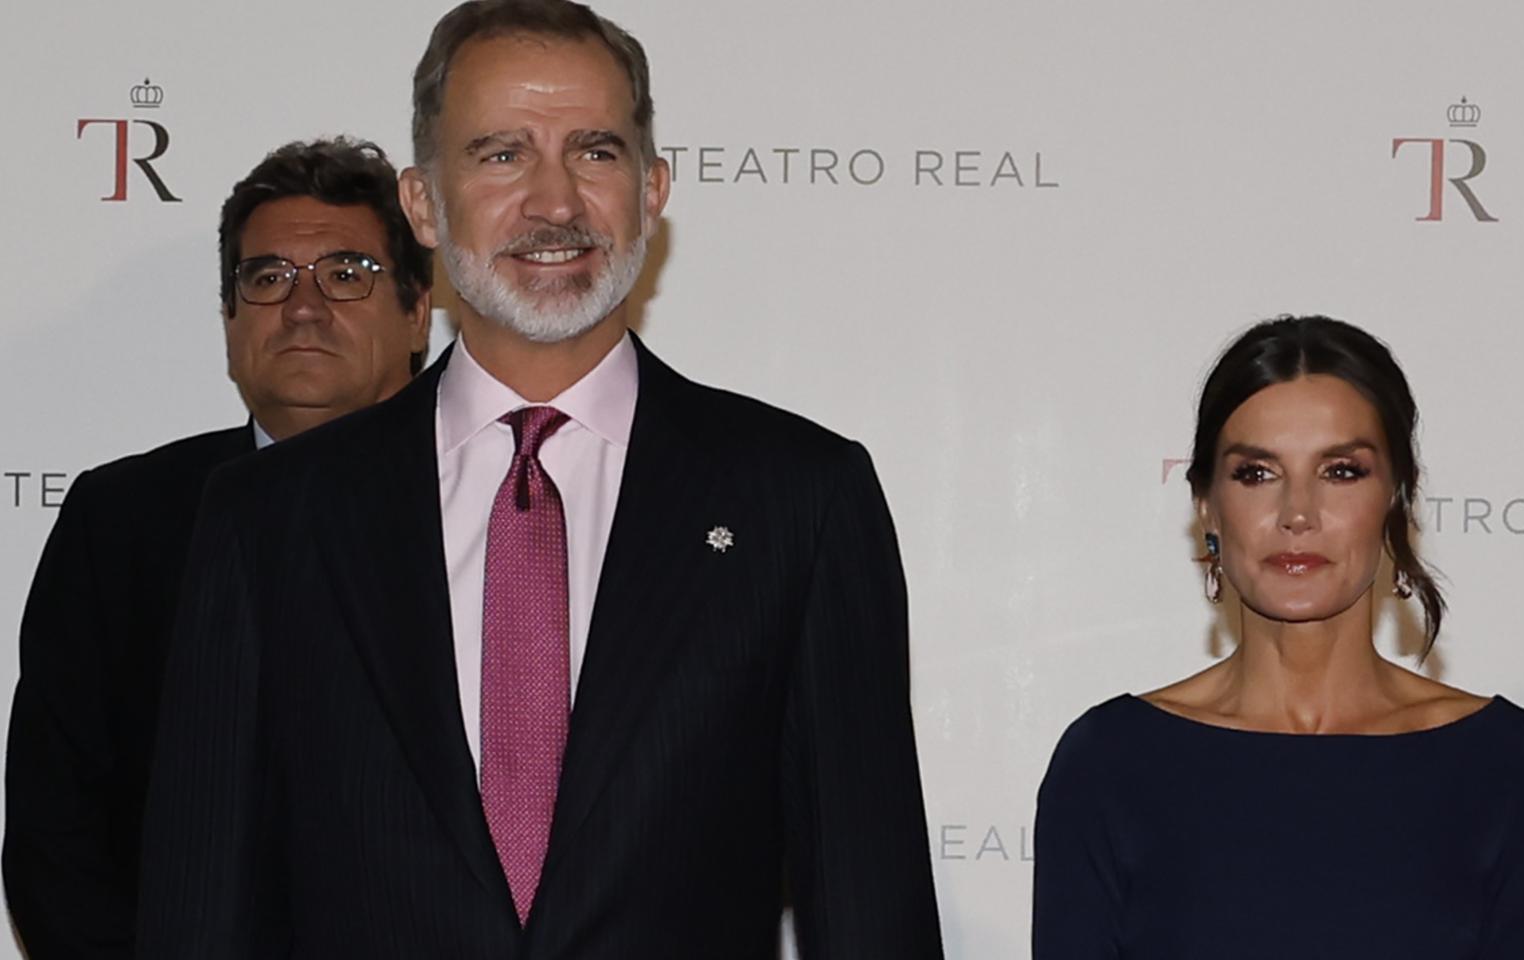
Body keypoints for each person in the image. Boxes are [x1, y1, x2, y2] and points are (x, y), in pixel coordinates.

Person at [135, 2, 943, 958]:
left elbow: (869, 903)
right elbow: (198, 919)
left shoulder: (801, 499)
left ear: (652, 191)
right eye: (502, 155)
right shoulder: (270, 520)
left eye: (595, 153)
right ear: (424, 204)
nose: (556, 203)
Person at [4, 137, 432, 958]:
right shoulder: (120, 521)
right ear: (231, 320)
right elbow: (58, 835)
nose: (303, 307)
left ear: (417, 310)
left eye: (347, 274)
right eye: (267, 278)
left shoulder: (514, 505)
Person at [1032, 315, 1524, 959]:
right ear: (1206, 505)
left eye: (1341, 471)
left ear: (1397, 499)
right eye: (1256, 473)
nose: (1297, 514)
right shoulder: (1111, 762)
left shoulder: (1499, 764)